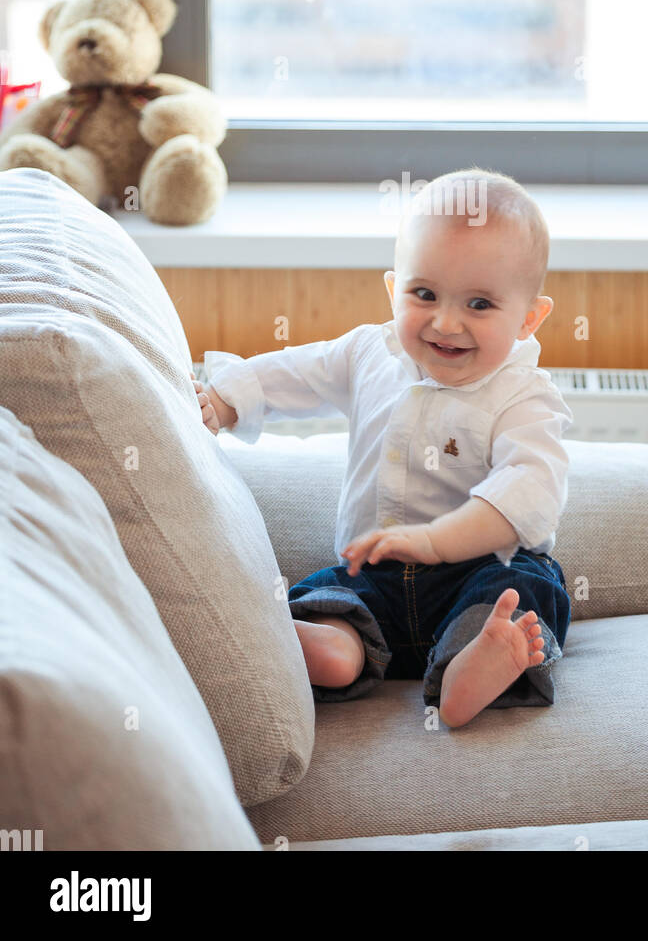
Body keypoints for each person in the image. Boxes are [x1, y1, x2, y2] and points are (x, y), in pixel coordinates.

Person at [193, 167, 573, 728]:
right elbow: (300, 370)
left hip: (474, 572)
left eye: (479, 305)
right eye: (425, 294)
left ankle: (474, 665)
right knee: (334, 599)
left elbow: (528, 493)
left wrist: (433, 541)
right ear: (395, 290)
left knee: (520, 595)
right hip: (372, 574)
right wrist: (226, 399)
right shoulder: (373, 352)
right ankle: (333, 652)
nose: (446, 322)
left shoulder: (524, 397)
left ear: (529, 318)